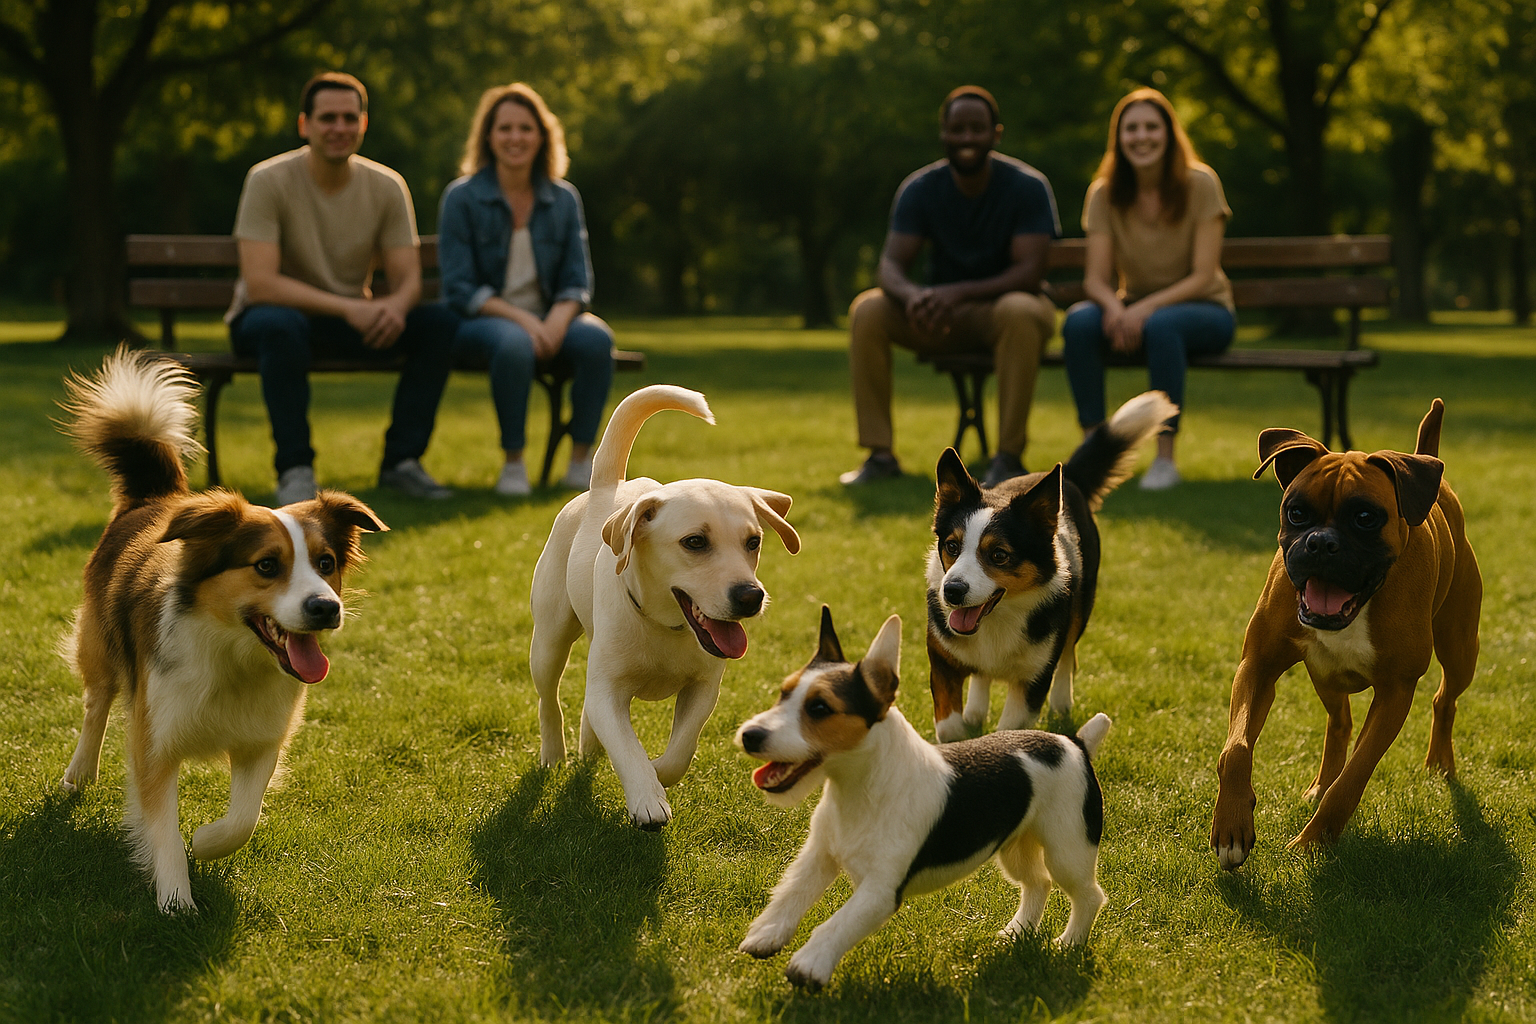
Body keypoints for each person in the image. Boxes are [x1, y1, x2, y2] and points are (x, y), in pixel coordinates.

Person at [228, 71, 459, 505]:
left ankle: (402, 462)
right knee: (280, 326)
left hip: (349, 320)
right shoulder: (268, 179)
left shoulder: (386, 185)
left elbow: (408, 279)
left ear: (363, 124)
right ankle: (295, 470)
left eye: (350, 118)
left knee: (439, 324)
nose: (339, 127)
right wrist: (349, 307)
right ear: (305, 125)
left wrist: (394, 308)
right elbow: (260, 285)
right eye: (327, 118)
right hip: (270, 322)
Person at [842, 85, 1060, 488]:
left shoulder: (1027, 186)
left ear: (996, 134)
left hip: (1005, 313)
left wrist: (956, 292)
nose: (967, 138)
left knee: (1019, 308)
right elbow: (890, 265)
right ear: (943, 133)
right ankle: (880, 455)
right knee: (868, 309)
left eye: (977, 128)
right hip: (940, 318)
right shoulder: (920, 188)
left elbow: (1029, 273)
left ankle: (1008, 458)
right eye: (957, 129)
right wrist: (914, 296)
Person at [437, 83, 614, 496]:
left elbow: (577, 280)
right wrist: (527, 322)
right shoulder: (462, 197)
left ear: (542, 136)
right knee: (514, 342)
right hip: (483, 321)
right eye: (505, 128)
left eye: (525, 128)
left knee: (597, 339)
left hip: (551, 318)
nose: (515, 137)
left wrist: (554, 323)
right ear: (488, 136)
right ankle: (513, 463)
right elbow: (460, 288)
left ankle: (581, 461)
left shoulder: (563, 198)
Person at [1062, 87, 1235, 491]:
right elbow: (1095, 280)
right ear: (1118, 138)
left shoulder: (1201, 183)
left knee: (1162, 325)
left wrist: (1143, 309)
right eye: (1132, 128)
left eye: (1152, 127)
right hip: (1137, 310)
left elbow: (1204, 275)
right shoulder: (1104, 193)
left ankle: (1164, 460)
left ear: (1169, 133)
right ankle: (1092, 454)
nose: (1142, 137)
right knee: (1079, 322)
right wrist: (1115, 308)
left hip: (1206, 310)